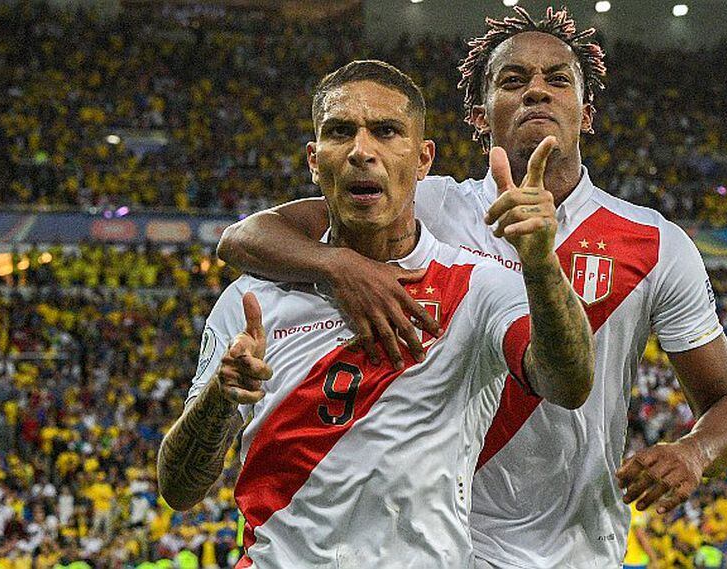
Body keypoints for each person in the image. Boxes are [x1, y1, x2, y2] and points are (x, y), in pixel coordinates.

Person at [216, 7, 727, 567]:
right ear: (480, 113)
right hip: (440, 545)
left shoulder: (655, 243)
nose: (537, 91)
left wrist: (694, 451)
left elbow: (726, 406)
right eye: (513, 80)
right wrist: (342, 266)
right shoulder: (425, 204)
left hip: (575, 548)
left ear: (586, 111)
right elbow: (243, 238)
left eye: (558, 79)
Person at [158, 60, 594, 567]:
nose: (362, 151)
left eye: (386, 131)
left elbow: (567, 385)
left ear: (424, 159)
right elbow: (179, 488)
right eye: (340, 132)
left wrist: (541, 263)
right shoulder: (254, 299)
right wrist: (220, 395)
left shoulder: (478, 286)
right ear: (314, 160)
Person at [623, 501, 659, 569]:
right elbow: (640, 536)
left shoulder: (626, 505)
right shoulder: (636, 508)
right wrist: (654, 558)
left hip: (624, 559)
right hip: (634, 561)